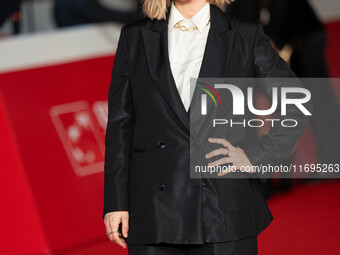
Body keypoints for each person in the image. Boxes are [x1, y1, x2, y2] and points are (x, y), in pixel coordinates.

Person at [103, 0, 312, 254]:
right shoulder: (135, 37)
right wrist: (116, 202)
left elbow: (296, 101)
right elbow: (120, 124)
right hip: (153, 211)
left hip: (221, 210)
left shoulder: (243, 35)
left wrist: (258, 156)